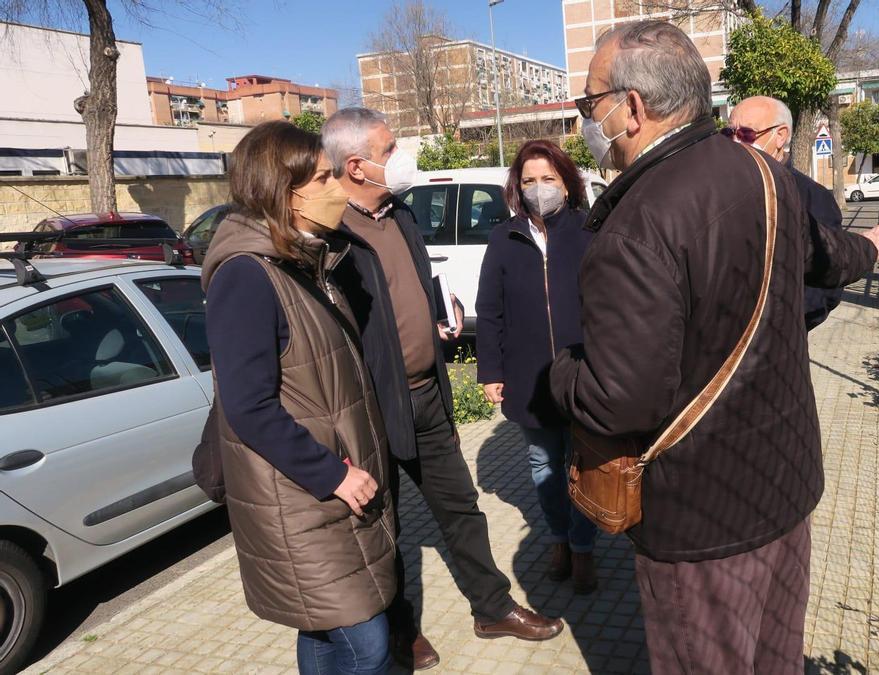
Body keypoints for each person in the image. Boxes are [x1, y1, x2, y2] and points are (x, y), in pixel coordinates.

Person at [549, 21, 879, 673]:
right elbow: (824, 253)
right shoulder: (764, 174)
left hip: (698, 524)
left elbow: (623, 398)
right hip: (784, 487)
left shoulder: (634, 226)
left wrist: (559, 373)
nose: (586, 121)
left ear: (632, 108)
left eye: (589, 103)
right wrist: (870, 250)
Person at [320, 108, 565, 671]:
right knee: (385, 527)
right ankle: (400, 628)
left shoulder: (399, 213)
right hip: (373, 408)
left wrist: (436, 311)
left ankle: (493, 607)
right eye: (390, 147)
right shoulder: (333, 232)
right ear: (356, 165)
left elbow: (411, 282)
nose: (401, 154)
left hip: (426, 393)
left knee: (461, 507)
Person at [202, 121, 396, 675]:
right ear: (282, 192)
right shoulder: (247, 275)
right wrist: (333, 473)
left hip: (327, 496)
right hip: (299, 499)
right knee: (367, 644)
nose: (335, 185)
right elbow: (248, 407)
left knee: (325, 632)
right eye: (321, 177)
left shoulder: (302, 260)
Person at [475, 139, 599, 595]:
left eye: (548, 178)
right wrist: (491, 371)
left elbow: (609, 304)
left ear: (567, 182)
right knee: (543, 467)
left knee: (584, 468)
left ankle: (585, 547)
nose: (539, 188)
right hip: (529, 379)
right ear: (516, 186)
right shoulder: (504, 237)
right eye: (529, 180)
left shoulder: (589, 231)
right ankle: (559, 538)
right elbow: (489, 310)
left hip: (584, 375)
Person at [728, 95, 850, 330]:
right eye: (728, 134)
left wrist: (778, 325)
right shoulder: (718, 187)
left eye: (745, 134)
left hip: (776, 345)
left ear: (780, 136)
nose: (734, 142)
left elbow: (826, 284)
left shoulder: (812, 197)